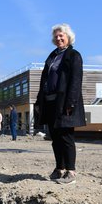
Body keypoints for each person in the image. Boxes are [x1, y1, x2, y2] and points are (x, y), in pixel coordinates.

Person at [35, 23, 86, 185]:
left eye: (61, 35)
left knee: (66, 137)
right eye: (56, 36)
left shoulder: (74, 55)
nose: (58, 38)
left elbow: (76, 81)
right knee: (55, 137)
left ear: (68, 37)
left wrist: (71, 103)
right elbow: (44, 80)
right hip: (50, 103)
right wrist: (39, 101)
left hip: (65, 103)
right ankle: (60, 168)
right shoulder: (52, 56)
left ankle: (71, 171)